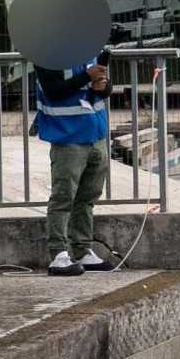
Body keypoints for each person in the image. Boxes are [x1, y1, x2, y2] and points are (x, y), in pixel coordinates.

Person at [31, 49, 118, 273]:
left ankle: (82, 248)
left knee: (88, 196)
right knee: (64, 195)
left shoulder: (90, 50)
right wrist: (87, 77)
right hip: (68, 136)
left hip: (95, 133)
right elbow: (53, 91)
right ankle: (58, 253)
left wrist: (103, 86)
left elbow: (103, 88)